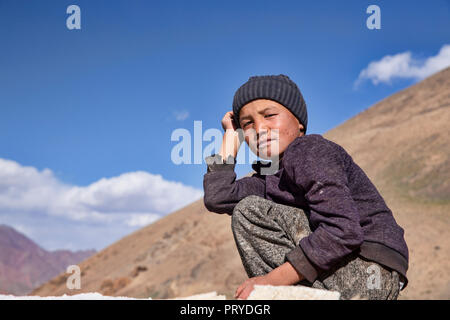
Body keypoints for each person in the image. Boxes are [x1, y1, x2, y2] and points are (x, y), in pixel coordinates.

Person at [203, 74, 409, 300]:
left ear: (299, 122)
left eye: (270, 115)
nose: (259, 129)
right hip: (355, 273)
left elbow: (343, 231)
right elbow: (219, 197)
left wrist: (268, 283)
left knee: (250, 210)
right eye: (247, 124)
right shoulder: (270, 177)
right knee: (247, 210)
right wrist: (230, 137)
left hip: (371, 272)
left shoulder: (308, 150)